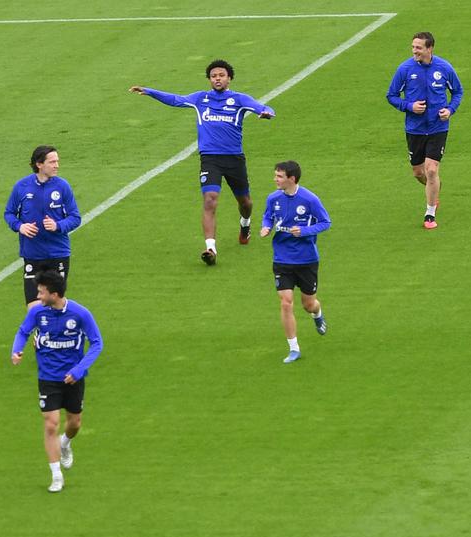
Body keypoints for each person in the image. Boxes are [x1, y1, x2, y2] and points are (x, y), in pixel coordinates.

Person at [130, 59, 275, 265]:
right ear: (209, 79)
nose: (217, 79)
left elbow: (263, 107)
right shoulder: (200, 98)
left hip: (234, 159)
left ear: (229, 78)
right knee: (209, 199)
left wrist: (267, 113)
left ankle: (245, 224)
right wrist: (150, 91)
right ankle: (210, 248)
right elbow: (176, 99)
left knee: (245, 202)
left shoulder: (240, 99)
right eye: (214, 76)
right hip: (210, 159)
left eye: (221, 75)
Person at [10, 270, 103, 492]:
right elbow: (23, 332)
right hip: (48, 377)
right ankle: (56, 475)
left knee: (75, 423)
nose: (38, 296)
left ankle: (65, 444)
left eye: (42, 292)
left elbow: (97, 343)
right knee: (51, 423)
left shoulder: (80, 314)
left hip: (72, 378)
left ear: (54, 293)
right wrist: (17, 350)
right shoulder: (38, 313)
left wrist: (79, 370)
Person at [386, 31, 464, 230]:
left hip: (438, 127)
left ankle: (430, 213)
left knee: (431, 169)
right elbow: (392, 95)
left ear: (430, 48)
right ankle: (434, 187)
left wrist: (450, 110)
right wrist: (409, 106)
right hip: (415, 129)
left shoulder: (444, 68)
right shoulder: (404, 69)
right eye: (413, 47)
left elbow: (457, 91)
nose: (415, 51)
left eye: (419, 48)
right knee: (418, 172)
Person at [258, 161, 330, 363]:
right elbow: (267, 216)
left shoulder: (310, 199)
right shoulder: (273, 198)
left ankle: (317, 314)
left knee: (308, 304)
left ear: (292, 178)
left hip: (306, 259)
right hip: (282, 258)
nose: (275, 179)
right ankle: (294, 348)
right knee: (286, 303)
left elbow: (326, 222)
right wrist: (266, 227)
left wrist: (304, 231)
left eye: (279, 176)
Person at [3, 145, 82, 308]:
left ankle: (50, 334)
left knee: (54, 305)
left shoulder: (62, 187)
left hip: (58, 254)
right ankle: (40, 334)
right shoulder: (22, 187)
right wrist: (20, 226)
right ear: (39, 164)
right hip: (32, 254)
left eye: (57, 161)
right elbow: (9, 213)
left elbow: (75, 217)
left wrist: (57, 225)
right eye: (52, 162)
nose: (57, 165)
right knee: (33, 308)